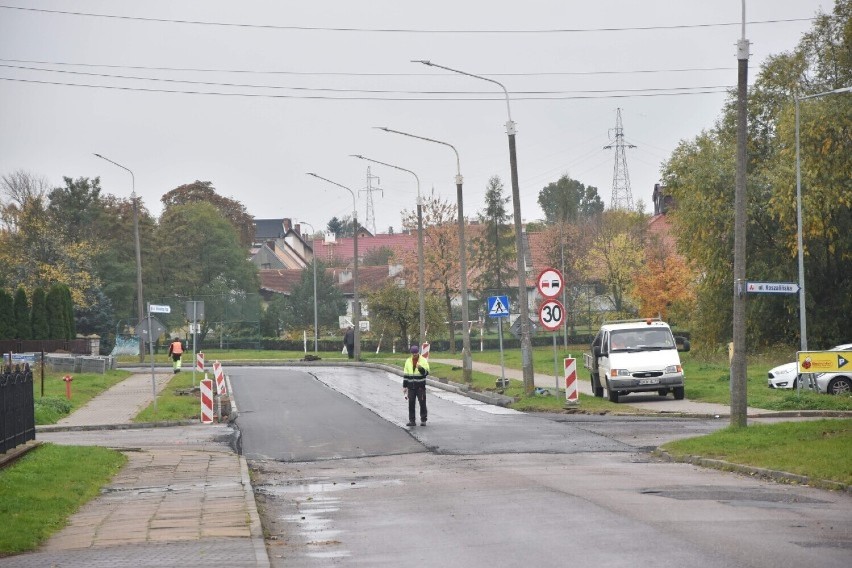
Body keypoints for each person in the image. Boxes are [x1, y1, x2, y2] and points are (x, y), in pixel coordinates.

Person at [402, 344, 430, 427]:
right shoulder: (408, 361)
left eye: (416, 353)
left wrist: (420, 368)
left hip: (420, 387)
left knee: (422, 403)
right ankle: (412, 421)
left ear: (418, 352)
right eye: (413, 353)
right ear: (411, 353)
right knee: (411, 403)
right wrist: (405, 386)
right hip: (411, 387)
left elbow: (426, 373)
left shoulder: (423, 360)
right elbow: (406, 375)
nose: (415, 354)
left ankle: (423, 420)